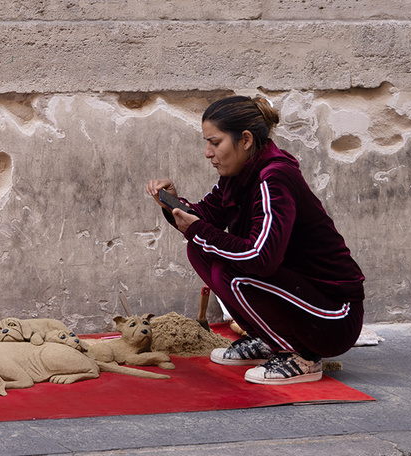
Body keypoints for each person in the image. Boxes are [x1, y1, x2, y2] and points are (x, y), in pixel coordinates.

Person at [146, 95, 364, 384]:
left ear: (245, 139)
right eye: (207, 143)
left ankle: (301, 357)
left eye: (215, 142)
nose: (208, 153)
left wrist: (199, 230)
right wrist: (173, 202)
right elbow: (205, 219)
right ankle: (269, 339)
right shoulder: (238, 175)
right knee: (200, 251)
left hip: (335, 317)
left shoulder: (274, 178)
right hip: (303, 303)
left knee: (230, 271)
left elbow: (261, 258)